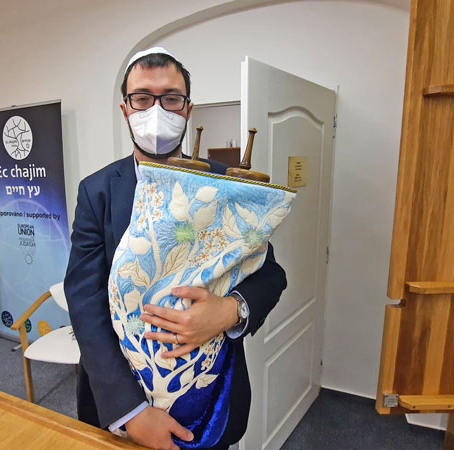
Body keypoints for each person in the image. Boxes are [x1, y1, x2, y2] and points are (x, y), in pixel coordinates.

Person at [64, 47, 287, 450]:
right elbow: (84, 299)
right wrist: (130, 411)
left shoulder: (230, 184)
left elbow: (271, 274)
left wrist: (229, 310)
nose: (156, 110)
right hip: (122, 401)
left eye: (170, 98)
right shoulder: (96, 191)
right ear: (125, 108)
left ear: (187, 109)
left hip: (212, 393)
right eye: (142, 98)